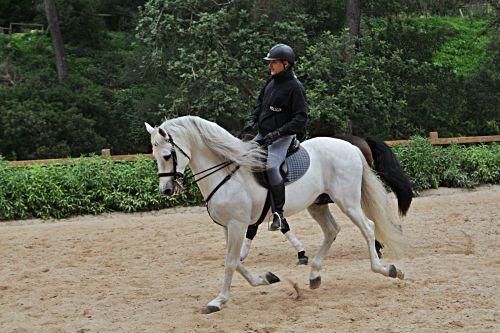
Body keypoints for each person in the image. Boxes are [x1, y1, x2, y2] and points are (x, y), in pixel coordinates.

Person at [243, 43, 308, 231]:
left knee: (271, 165)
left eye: (273, 63)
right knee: (243, 155)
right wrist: (252, 119)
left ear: (285, 64)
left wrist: (278, 133)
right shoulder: (270, 82)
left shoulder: (295, 88)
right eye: (270, 63)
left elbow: (301, 118)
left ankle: (278, 213)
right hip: (263, 134)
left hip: (283, 137)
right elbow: (260, 104)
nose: (269, 66)